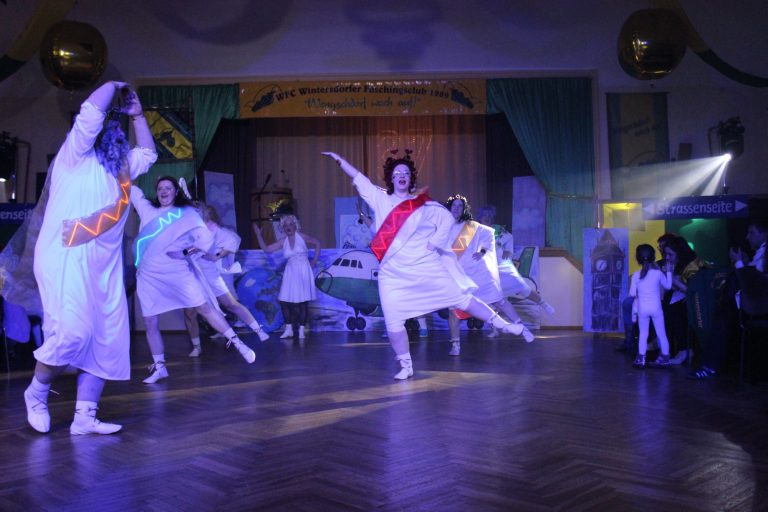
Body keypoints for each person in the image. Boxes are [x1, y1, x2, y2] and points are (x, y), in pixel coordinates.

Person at [23, 81, 157, 435]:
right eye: (104, 125)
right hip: (65, 256)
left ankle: (85, 416)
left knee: (108, 338)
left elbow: (148, 152)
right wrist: (114, 85)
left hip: (105, 265)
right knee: (71, 333)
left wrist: (137, 115)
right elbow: (91, 113)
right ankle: (36, 393)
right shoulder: (74, 156)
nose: (109, 130)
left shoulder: (122, 169)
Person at [322, 150, 524, 380]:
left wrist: (434, 243)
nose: (401, 175)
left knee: (461, 299)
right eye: (397, 173)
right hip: (392, 273)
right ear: (390, 178)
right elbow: (360, 179)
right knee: (393, 321)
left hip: (425, 266)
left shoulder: (423, 205)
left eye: (405, 173)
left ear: (410, 178)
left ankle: (504, 325)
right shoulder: (380, 199)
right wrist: (339, 160)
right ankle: (406, 365)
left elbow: (446, 219)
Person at [131, 176, 256, 384]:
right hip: (148, 276)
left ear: (175, 191)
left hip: (176, 272)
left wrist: (184, 252)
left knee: (203, 308)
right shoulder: (147, 210)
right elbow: (131, 189)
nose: (164, 191)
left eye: (168, 188)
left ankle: (238, 343)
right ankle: (160, 367)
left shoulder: (186, 214)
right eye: (160, 188)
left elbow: (206, 240)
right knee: (150, 321)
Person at [445, 194, 534, 356]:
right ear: (449, 208)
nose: (456, 209)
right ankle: (455, 346)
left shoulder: (470, 226)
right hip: (457, 276)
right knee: (454, 312)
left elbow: (488, 236)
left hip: (477, 273)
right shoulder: (442, 227)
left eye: (460, 206)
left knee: (500, 301)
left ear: (464, 209)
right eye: (454, 206)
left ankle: (523, 329)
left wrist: (482, 251)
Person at [183, 203, 269, 358]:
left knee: (231, 304)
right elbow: (183, 250)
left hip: (210, 274)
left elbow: (232, 240)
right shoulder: (189, 232)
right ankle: (196, 346)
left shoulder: (218, 232)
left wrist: (217, 256)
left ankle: (258, 330)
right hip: (193, 275)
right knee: (190, 312)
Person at [475, 205, 555, 339]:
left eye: (489, 216)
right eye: (484, 216)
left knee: (523, 288)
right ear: (480, 217)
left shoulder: (498, 230)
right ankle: (495, 329)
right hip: (489, 271)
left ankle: (544, 304)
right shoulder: (476, 232)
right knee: (493, 300)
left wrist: (509, 250)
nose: (487, 218)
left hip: (503, 267)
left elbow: (509, 238)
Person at [252, 214, 320, 340]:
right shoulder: (283, 241)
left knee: (302, 302)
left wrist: (314, 261)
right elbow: (267, 249)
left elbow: (317, 243)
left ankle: (301, 331)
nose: (288, 227)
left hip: (303, 270)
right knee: (284, 300)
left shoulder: (301, 236)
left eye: (290, 224)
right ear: (283, 228)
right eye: (285, 225)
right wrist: (258, 235)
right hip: (290, 271)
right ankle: (289, 329)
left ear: (295, 226)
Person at [618, 233, 677, 353]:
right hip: (650, 298)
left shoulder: (672, 263)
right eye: (659, 247)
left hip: (664, 298)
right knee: (628, 302)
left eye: (662, 246)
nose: (660, 249)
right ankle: (629, 340)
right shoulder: (657, 264)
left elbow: (669, 285)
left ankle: (654, 344)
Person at [629, 244, 673, 369]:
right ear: (653, 257)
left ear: (637, 259)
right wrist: (669, 271)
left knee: (643, 334)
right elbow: (668, 286)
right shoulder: (658, 273)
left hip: (642, 310)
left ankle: (641, 359)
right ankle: (665, 359)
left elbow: (632, 294)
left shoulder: (636, 275)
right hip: (657, 309)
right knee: (662, 334)